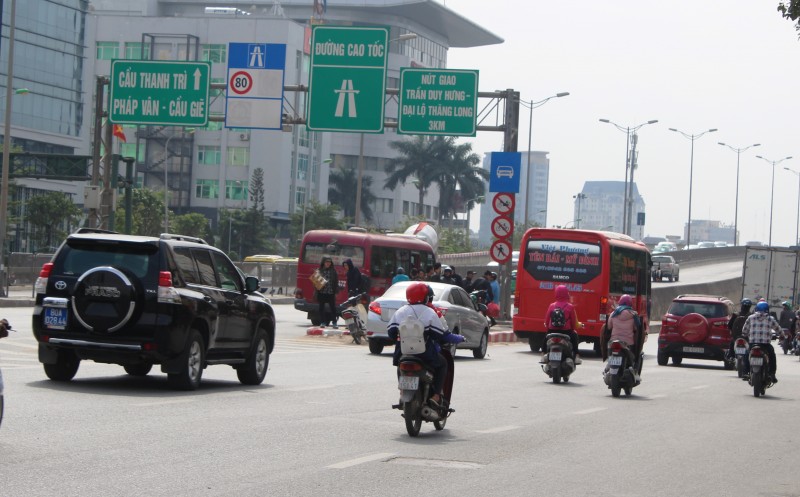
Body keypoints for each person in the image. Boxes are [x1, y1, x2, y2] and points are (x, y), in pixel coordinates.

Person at [387, 282, 464, 408]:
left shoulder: (400, 311)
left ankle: (402, 391)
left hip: (402, 353)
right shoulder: (430, 312)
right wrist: (459, 338)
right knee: (443, 364)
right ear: (426, 297)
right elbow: (442, 335)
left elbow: (391, 333)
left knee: (401, 366)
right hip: (425, 355)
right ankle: (436, 396)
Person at [601, 294, 644, 374]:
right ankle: (635, 371)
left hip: (613, 341)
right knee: (634, 359)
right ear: (630, 303)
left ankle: (608, 366)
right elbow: (636, 328)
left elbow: (609, 327)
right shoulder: (633, 315)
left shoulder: (613, 313)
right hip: (628, 343)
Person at [742, 300, 780, 383]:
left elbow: (744, 330)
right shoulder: (770, 319)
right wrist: (782, 336)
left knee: (747, 354)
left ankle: (745, 372)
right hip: (765, 345)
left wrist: (745, 335)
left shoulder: (751, 317)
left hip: (753, 344)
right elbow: (778, 330)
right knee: (772, 356)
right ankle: (772, 374)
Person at [544, 284, 582, 363]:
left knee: (545, 338)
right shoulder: (570, 307)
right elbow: (574, 324)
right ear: (566, 294)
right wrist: (574, 328)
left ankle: (543, 354)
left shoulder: (552, 306)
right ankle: (577, 356)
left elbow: (547, 321)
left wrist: (548, 327)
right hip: (566, 332)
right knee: (574, 336)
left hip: (552, 331)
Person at [317, 257, 339, 328]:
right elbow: (315, 282)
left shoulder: (333, 271)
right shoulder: (320, 271)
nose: (328, 263)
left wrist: (336, 291)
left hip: (330, 292)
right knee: (321, 308)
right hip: (321, 292)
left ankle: (334, 322)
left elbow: (336, 282)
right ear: (323, 262)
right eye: (327, 262)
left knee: (333, 308)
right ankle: (323, 322)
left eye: (329, 262)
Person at [728, 298, 753, 362]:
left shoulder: (736, 315)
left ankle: (731, 356)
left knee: (731, 344)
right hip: (746, 337)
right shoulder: (751, 316)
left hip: (737, 337)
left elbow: (729, 325)